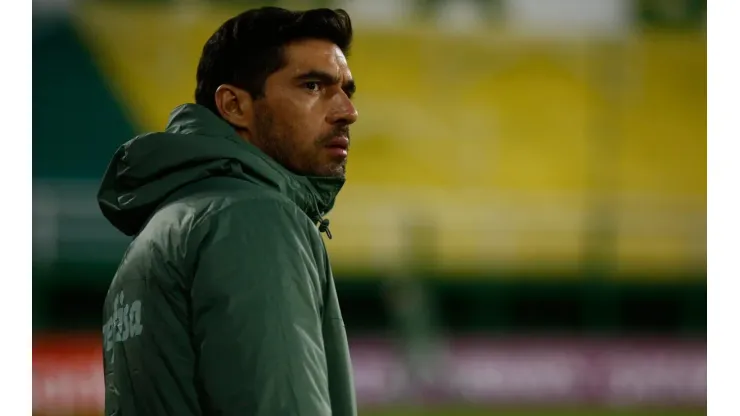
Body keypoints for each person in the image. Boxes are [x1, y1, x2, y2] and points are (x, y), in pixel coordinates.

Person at [97, 7, 359, 415]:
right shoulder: (252, 219)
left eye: (346, 90)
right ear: (234, 105)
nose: (348, 111)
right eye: (312, 86)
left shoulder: (158, 233)